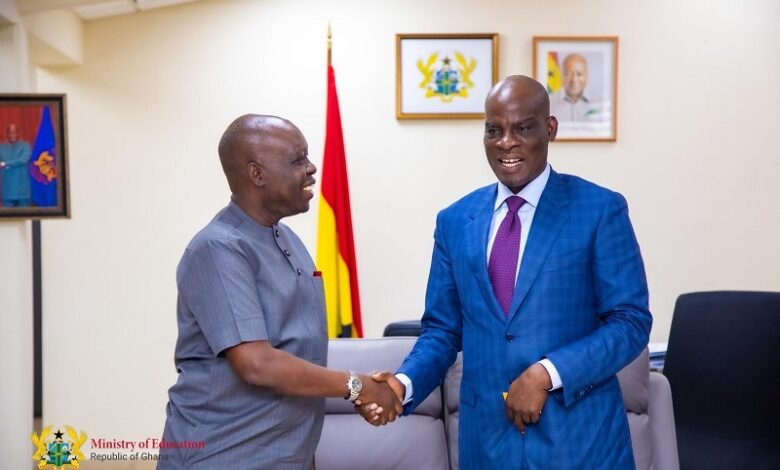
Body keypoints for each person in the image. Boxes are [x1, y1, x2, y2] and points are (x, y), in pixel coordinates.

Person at [361, 76, 652, 469]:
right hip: (488, 445)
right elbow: (442, 331)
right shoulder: (455, 221)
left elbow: (630, 322)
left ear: (549, 129)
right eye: (493, 131)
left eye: (523, 128)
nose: (506, 142)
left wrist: (547, 373)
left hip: (580, 443)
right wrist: (402, 384)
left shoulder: (599, 209)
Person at [158, 114, 401, 469]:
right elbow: (257, 364)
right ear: (257, 174)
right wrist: (358, 386)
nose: (312, 168)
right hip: (223, 456)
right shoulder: (218, 248)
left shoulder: (288, 240)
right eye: (298, 160)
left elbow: (299, 353)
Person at [549, 53, 600, 121]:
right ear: (561, 76)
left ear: (586, 76)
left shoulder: (600, 102)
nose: (574, 79)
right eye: (567, 74)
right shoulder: (549, 102)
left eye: (579, 74)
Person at [0, 123, 32, 207]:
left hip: (22, 190)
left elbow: (24, 159)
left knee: (25, 218)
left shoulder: (25, 146)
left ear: (18, 133)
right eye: (10, 132)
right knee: (8, 219)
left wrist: (5, 163)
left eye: (14, 132)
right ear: (7, 134)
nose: (12, 135)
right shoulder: (1, 147)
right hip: (7, 191)